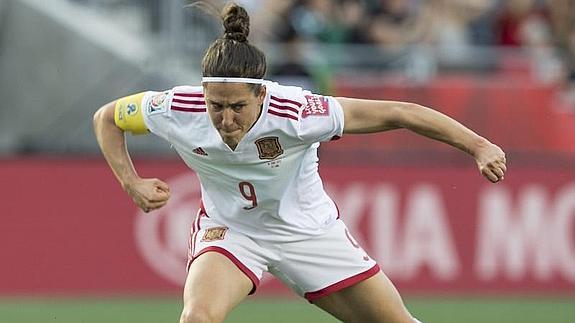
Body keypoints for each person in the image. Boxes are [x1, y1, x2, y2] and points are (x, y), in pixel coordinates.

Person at [93, 3, 506, 323]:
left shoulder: (298, 112)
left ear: (261, 96)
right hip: (232, 231)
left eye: (238, 106)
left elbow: (400, 111)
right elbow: (106, 118)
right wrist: (132, 183)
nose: (226, 119)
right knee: (197, 316)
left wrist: (479, 144)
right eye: (216, 106)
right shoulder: (177, 107)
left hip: (308, 232)